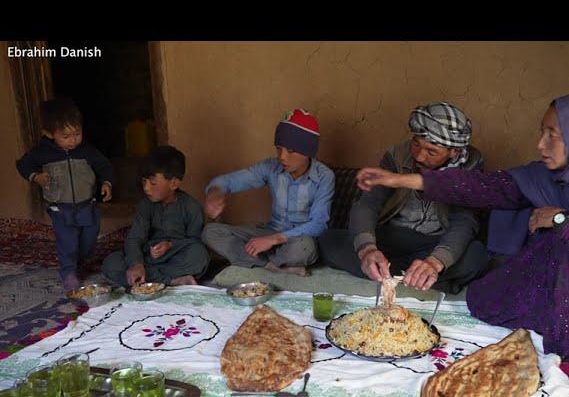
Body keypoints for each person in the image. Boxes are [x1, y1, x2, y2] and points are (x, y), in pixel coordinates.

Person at [356, 91, 569, 370]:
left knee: (495, 257)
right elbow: (487, 188)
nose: (541, 144)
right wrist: (404, 180)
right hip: (553, 281)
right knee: (482, 300)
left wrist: (564, 221)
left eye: (553, 134)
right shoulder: (547, 175)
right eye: (542, 132)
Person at [319, 102, 488, 294]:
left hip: (435, 242)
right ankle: (415, 277)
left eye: (431, 152)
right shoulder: (398, 155)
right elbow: (368, 204)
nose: (420, 157)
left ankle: (407, 274)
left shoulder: (470, 164)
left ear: (454, 151)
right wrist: (367, 250)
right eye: (416, 144)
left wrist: (435, 261)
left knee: (476, 256)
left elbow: (464, 221)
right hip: (394, 237)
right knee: (328, 240)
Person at [201, 109, 335, 277]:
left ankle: (255, 260)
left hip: (298, 240)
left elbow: (319, 224)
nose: (282, 157)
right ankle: (271, 266)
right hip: (269, 232)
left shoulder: (324, 176)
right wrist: (215, 192)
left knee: (304, 248)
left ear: (308, 152)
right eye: (278, 148)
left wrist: (274, 240)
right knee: (210, 232)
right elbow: (229, 181)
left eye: (290, 151)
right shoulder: (270, 167)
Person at [16, 98, 114, 291]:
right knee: (67, 240)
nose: (73, 140)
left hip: (87, 205)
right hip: (60, 208)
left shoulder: (87, 150)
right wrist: (35, 176)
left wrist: (107, 183)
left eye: (77, 134)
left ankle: (78, 263)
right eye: (66, 136)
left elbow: (104, 165)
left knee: (89, 239)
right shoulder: (42, 152)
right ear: (49, 134)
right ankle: (68, 271)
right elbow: (23, 164)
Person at [102, 146, 210, 287]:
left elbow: (195, 241)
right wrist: (137, 264)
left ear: (174, 184)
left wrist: (171, 245)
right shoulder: (146, 205)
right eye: (144, 182)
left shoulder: (192, 207)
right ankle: (173, 281)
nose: (146, 188)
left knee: (199, 256)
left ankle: (148, 279)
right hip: (149, 257)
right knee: (111, 263)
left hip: (177, 256)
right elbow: (135, 237)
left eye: (153, 183)